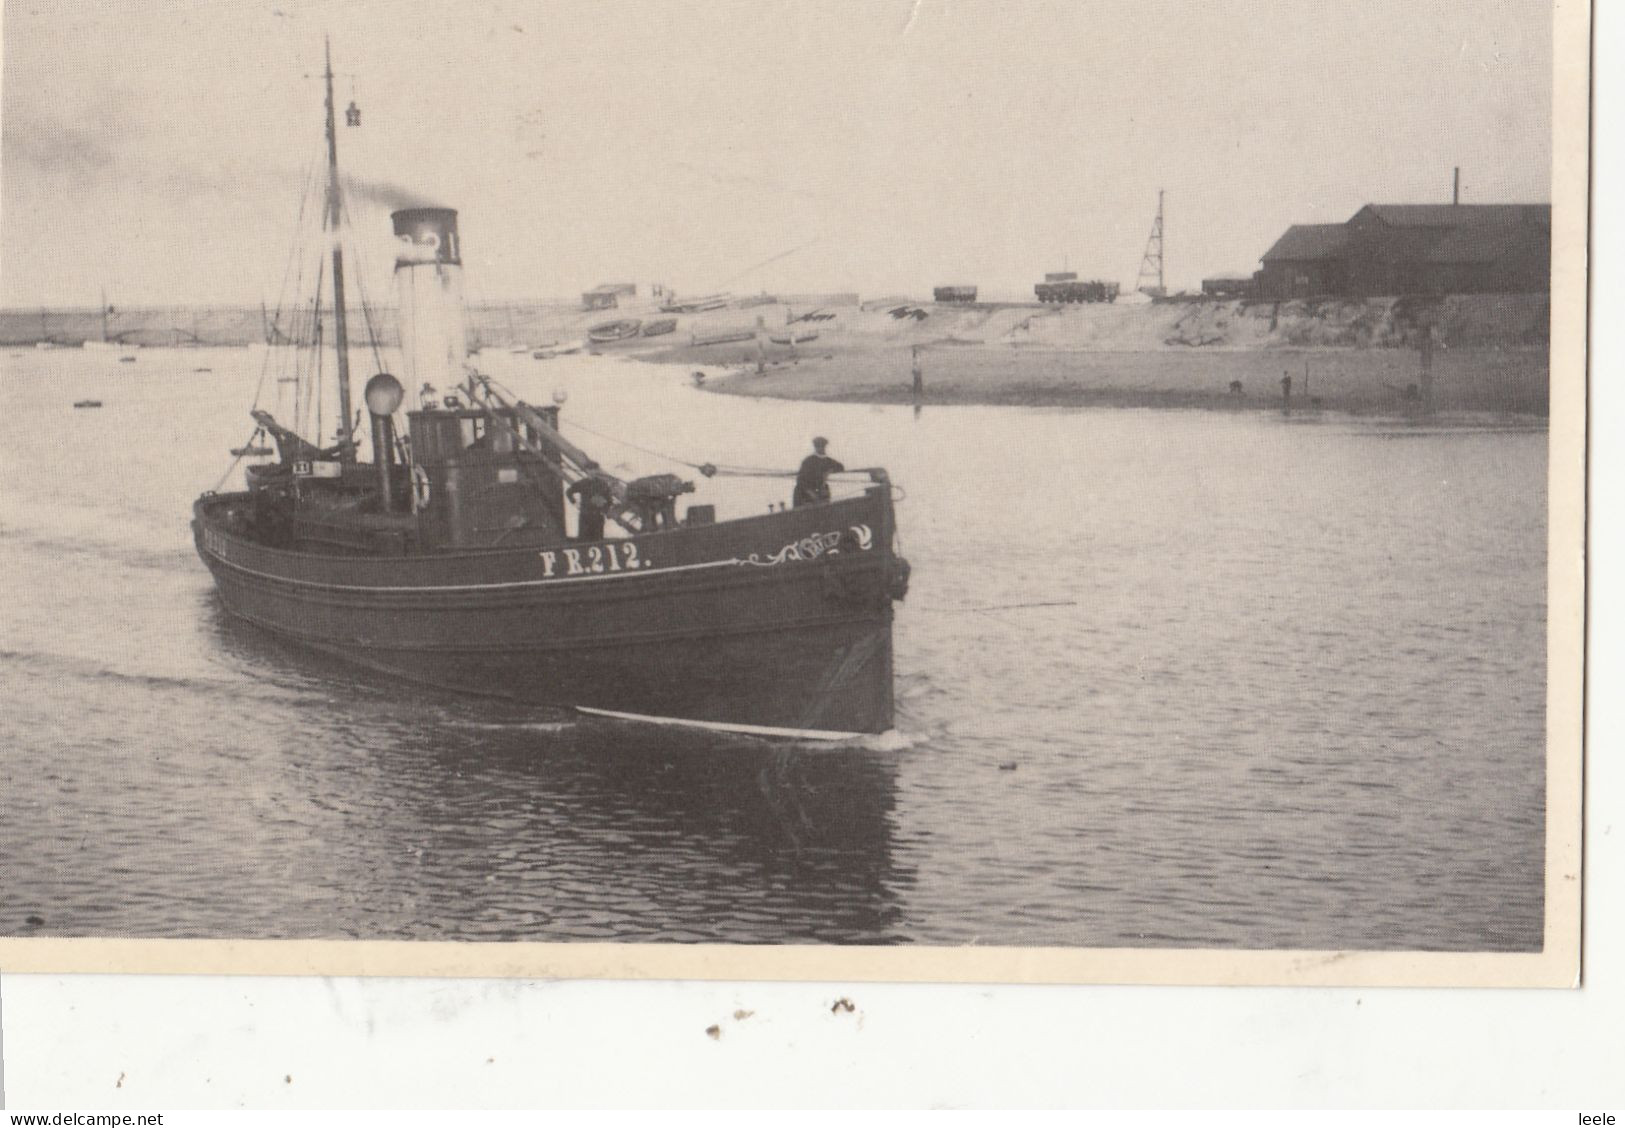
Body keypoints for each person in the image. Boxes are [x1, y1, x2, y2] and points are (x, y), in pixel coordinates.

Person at [792, 437, 844, 508]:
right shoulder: (808, 461)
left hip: (820, 490)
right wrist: (811, 493)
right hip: (805, 492)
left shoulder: (827, 460)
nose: (821, 448)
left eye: (822, 446)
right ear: (815, 447)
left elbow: (841, 467)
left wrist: (829, 471)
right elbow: (800, 481)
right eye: (819, 446)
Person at [566, 468, 615, 541]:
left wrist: (604, 506)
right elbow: (569, 492)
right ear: (587, 471)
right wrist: (575, 502)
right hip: (585, 516)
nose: (592, 472)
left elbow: (609, 500)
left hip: (598, 516)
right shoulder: (582, 483)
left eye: (594, 470)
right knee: (584, 540)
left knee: (598, 540)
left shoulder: (603, 484)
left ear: (597, 471)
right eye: (590, 470)